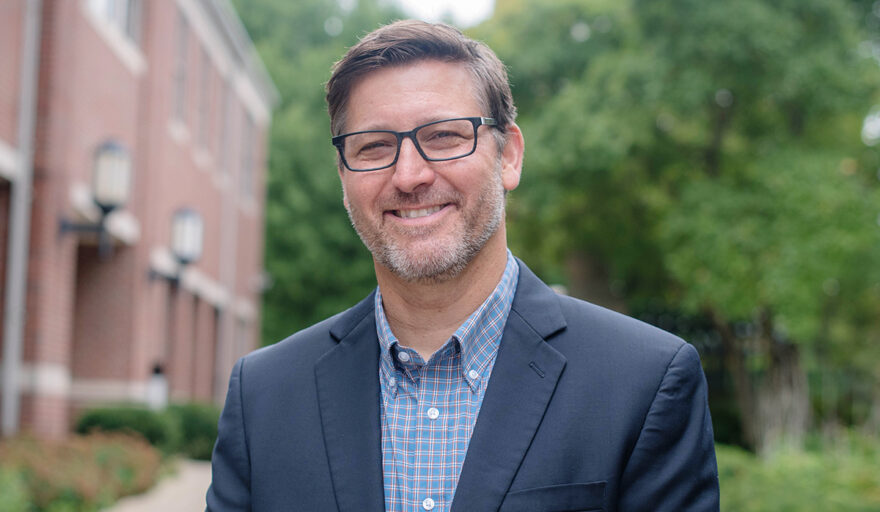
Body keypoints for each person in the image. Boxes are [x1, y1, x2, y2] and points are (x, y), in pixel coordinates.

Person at [207, 20, 719, 512]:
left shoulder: (644, 381)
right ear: (343, 174)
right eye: (375, 146)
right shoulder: (264, 396)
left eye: (445, 137)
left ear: (509, 156)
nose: (408, 176)